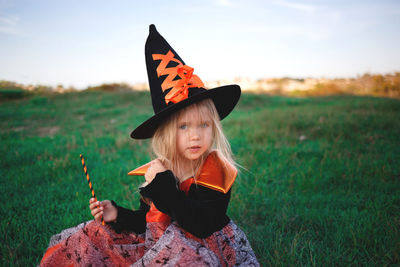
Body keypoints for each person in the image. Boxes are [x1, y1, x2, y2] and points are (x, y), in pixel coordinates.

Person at [40, 24, 259, 266]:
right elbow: (149, 222)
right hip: (162, 247)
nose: (195, 135)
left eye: (204, 125)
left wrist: (164, 183)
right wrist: (117, 213)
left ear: (214, 127)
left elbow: (200, 224)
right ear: (165, 133)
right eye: (183, 127)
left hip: (203, 250)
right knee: (94, 234)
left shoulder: (214, 169)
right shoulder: (160, 169)